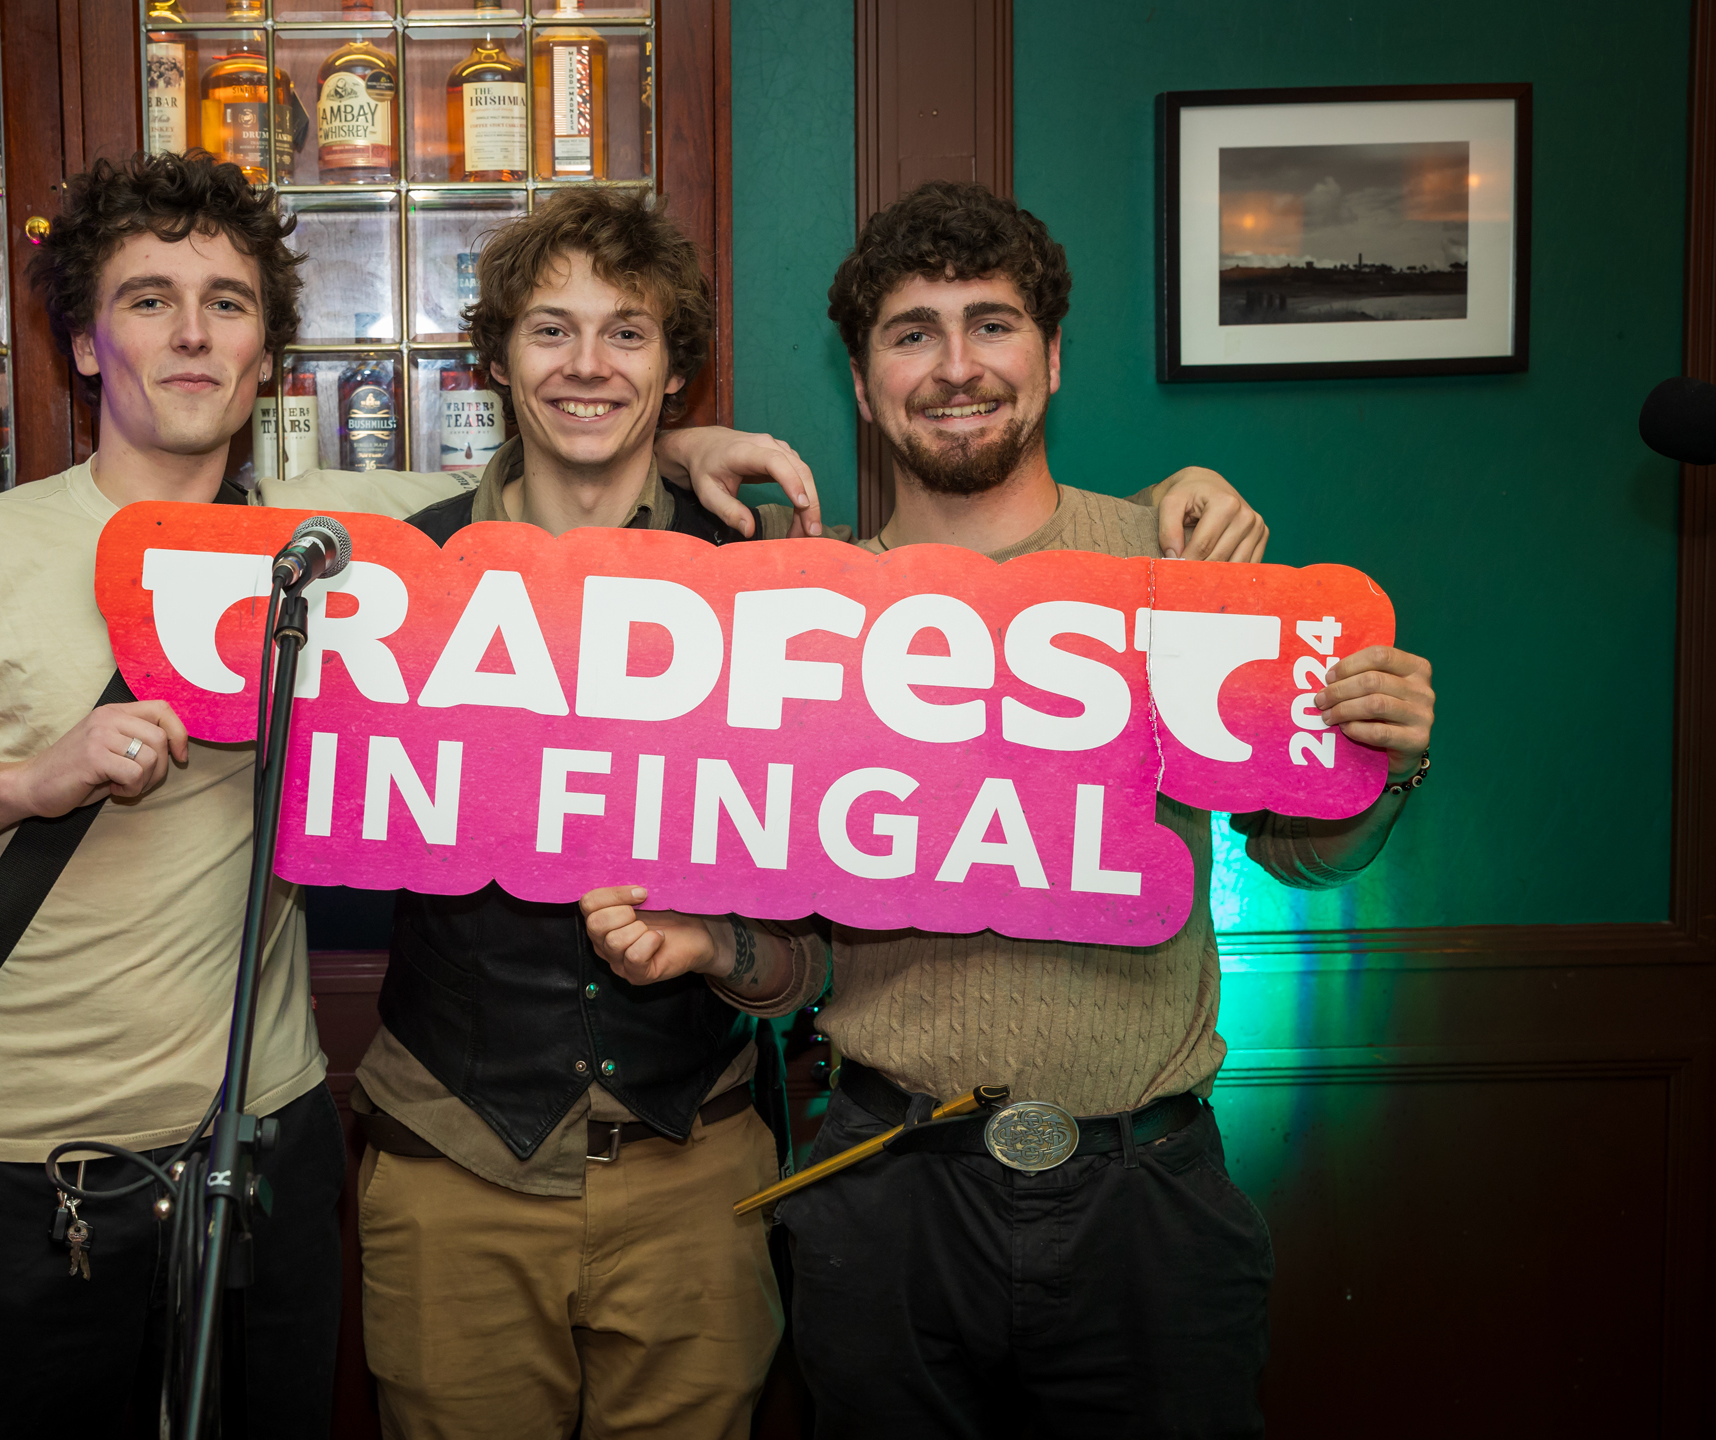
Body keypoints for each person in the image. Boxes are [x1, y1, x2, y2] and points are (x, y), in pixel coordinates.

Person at [0, 149, 871, 1438]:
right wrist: (28, 780)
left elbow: (573, 458)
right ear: (81, 343)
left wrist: (681, 438)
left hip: (259, 1142)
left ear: (264, 354)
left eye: (227, 303)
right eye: (148, 300)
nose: (192, 334)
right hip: (17, 1152)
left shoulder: (354, 538)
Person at [352, 185, 1279, 1440]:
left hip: (783, 1164)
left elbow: (1303, 836)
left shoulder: (783, 595)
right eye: (550, 332)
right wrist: (664, 443)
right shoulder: (407, 577)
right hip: (502, 1158)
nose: (588, 364)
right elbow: (291, 539)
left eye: (628, 333)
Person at [581, 180, 1438, 1438]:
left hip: (1147, 1198)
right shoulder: (809, 618)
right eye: (912, 333)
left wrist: (1384, 760)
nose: (956, 366)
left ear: (1052, 359)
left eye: (991, 324)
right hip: (885, 1192)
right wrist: (716, 949)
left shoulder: (1180, 567)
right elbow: (798, 963)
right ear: (863, 383)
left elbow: (1304, 851)